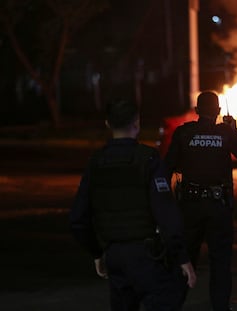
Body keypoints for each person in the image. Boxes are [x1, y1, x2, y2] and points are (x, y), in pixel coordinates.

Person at [70, 99, 196, 311]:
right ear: (137, 123)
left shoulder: (96, 162)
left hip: (114, 255)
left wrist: (98, 253)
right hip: (146, 257)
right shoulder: (148, 159)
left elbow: (78, 219)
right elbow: (165, 213)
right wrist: (182, 257)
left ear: (108, 124)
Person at [164, 90, 237, 311]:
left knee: (184, 261)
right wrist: (235, 130)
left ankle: (173, 305)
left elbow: (166, 169)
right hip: (218, 208)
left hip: (190, 208)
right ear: (218, 111)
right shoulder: (226, 133)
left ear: (196, 111)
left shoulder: (183, 133)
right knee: (220, 264)